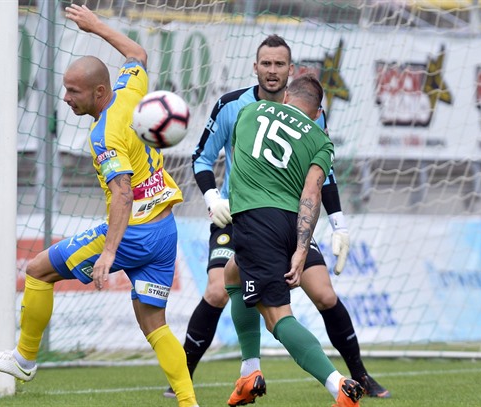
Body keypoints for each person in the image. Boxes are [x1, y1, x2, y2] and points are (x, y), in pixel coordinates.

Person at [0, 5, 199, 407]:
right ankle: (189, 402)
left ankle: (25, 359)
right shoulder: (131, 91)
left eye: (73, 91)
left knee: (36, 270)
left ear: (99, 92)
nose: (65, 98)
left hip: (133, 232)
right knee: (154, 324)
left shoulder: (104, 135)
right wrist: (96, 26)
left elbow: (122, 192)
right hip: (165, 231)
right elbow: (137, 55)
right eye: (65, 89)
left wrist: (110, 251)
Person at [163, 35, 389, 404]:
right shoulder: (235, 105)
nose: (271, 70)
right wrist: (211, 197)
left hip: (265, 218)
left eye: (279, 64)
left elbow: (321, 181)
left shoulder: (266, 115)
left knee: (307, 302)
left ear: (289, 71)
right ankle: (202, 375)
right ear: (255, 67)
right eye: (265, 63)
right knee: (223, 284)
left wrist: (339, 224)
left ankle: (346, 380)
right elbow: (202, 158)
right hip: (242, 215)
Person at [228, 73, 364, 407]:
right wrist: (302, 248)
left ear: (286, 96)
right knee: (231, 275)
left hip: (255, 219)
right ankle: (249, 371)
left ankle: (338, 386)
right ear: (317, 113)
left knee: (277, 317)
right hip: (291, 222)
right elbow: (312, 192)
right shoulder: (322, 140)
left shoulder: (251, 111)